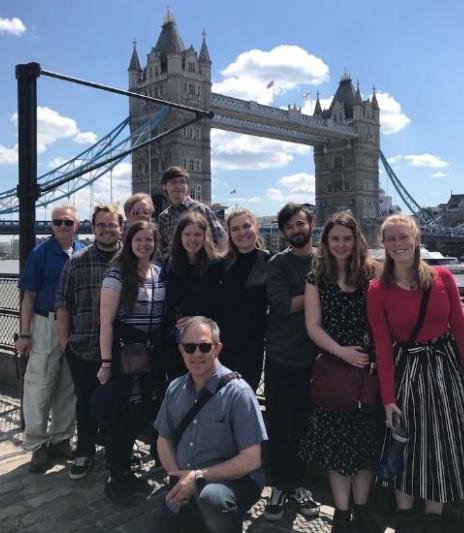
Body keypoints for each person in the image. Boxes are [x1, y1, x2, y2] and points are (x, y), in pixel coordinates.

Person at [367, 214, 464, 533]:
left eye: (403, 237)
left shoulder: (443, 278)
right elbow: (382, 347)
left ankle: (434, 515)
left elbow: (461, 330)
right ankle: (406, 516)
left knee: (442, 442)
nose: (398, 244)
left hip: (446, 370)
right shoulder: (377, 290)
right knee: (405, 441)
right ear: (384, 244)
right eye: (391, 239)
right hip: (408, 371)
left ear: (416, 238)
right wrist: (388, 399)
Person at [299, 212, 383, 533]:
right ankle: (341, 513)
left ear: (356, 241)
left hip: (367, 368)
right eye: (335, 239)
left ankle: (361, 510)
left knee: (364, 445)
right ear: (326, 241)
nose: (341, 244)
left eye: (347, 239)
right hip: (335, 367)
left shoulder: (372, 273)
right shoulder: (316, 277)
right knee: (337, 448)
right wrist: (342, 352)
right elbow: (312, 325)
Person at [153, 316, 267, 533]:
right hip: (187, 480)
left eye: (205, 347)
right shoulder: (175, 388)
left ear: (217, 349)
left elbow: (251, 460)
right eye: (190, 347)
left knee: (213, 499)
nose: (197, 354)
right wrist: (177, 475)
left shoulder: (239, 393)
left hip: (230, 481)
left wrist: (197, 477)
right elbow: (164, 438)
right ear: (181, 350)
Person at [98, 220, 166, 504]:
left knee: (142, 411)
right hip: (125, 354)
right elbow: (106, 323)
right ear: (129, 242)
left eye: (149, 240)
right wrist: (105, 362)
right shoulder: (116, 276)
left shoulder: (159, 273)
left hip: (152, 356)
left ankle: (126, 469)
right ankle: (117, 474)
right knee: (121, 415)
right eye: (139, 240)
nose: (144, 245)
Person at [55, 205, 123, 480]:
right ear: (92, 228)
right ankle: (85, 451)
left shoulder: (130, 259)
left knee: (117, 403)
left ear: (121, 227)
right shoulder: (77, 260)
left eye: (112, 225)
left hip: (120, 349)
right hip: (83, 346)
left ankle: (114, 451)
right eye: (101, 225)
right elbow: (62, 304)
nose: (107, 229)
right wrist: (64, 344)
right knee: (84, 402)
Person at [14, 205, 84, 473]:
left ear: (77, 225)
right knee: (39, 386)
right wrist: (25, 334)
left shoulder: (82, 252)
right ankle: (36, 445)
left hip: (75, 324)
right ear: (51, 226)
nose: (63, 227)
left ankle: (61, 439)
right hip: (46, 322)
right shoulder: (41, 252)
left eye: (68, 222)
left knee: (68, 385)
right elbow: (28, 296)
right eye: (58, 222)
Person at [263, 202, 319, 520]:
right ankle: (280, 486)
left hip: (317, 359)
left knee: (306, 427)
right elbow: (282, 305)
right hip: (283, 356)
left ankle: (299, 484)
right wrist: (319, 292)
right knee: (281, 426)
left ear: (311, 224)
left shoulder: (326, 260)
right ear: (284, 232)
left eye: (300, 224)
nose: (296, 230)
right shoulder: (277, 264)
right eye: (289, 227)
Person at [164, 211, 223, 380]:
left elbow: (221, 305)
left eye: (198, 234)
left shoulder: (216, 265)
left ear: (205, 236)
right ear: (179, 237)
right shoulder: (170, 263)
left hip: (203, 344)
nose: (192, 239)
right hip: (177, 341)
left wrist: (197, 319)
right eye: (187, 234)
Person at [217, 208, 270, 391]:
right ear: (229, 233)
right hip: (222, 348)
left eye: (246, 226)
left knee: (246, 399)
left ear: (256, 226)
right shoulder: (220, 264)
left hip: (253, 347)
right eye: (235, 229)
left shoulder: (268, 260)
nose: (242, 233)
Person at [157, 166, 227, 260]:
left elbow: (221, 239)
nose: (178, 186)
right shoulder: (164, 217)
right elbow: (161, 247)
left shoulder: (201, 209)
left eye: (182, 181)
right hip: (174, 269)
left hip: (200, 266)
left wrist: (217, 265)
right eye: (174, 182)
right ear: (164, 185)